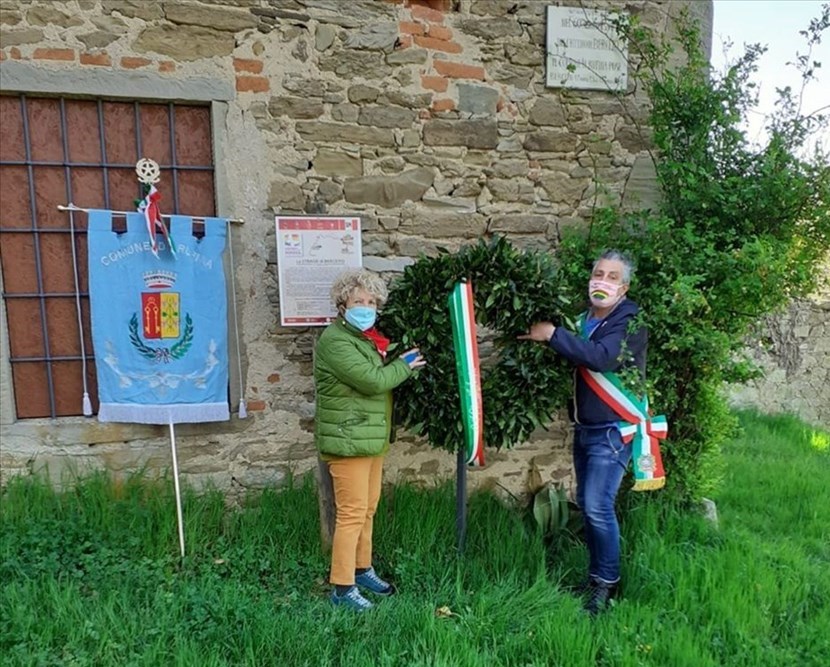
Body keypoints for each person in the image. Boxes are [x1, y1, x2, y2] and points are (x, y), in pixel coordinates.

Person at [518, 250, 646, 616]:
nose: (602, 281)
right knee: (591, 506)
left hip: (614, 428)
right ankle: (596, 578)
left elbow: (602, 358)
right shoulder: (584, 320)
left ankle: (606, 584)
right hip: (587, 426)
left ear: (624, 287)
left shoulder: (630, 320)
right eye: (598, 273)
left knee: (596, 505)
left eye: (611, 276)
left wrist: (553, 334)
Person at [314, 268, 425, 612]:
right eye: (358, 300)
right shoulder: (335, 341)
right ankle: (342, 588)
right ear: (342, 304)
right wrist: (406, 365)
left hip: (369, 438)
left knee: (368, 509)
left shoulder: (364, 338)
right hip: (349, 440)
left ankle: (362, 569)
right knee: (350, 514)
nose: (365, 306)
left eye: (371, 301)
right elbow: (372, 381)